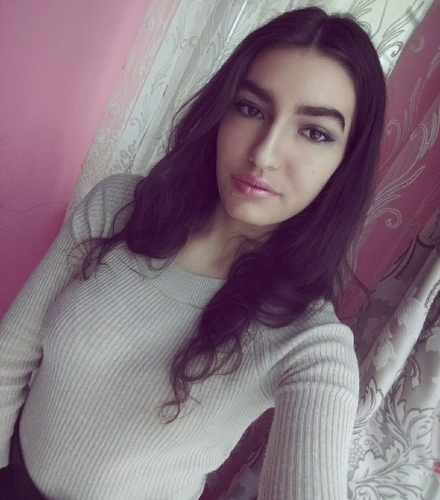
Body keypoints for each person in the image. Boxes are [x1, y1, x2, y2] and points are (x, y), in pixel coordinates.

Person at [0, 6, 386, 500]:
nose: (264, 154)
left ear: (344, 164)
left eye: (314, 132)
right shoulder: (118, 208)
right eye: (251, 109)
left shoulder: (309, 344)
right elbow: (11, 356)